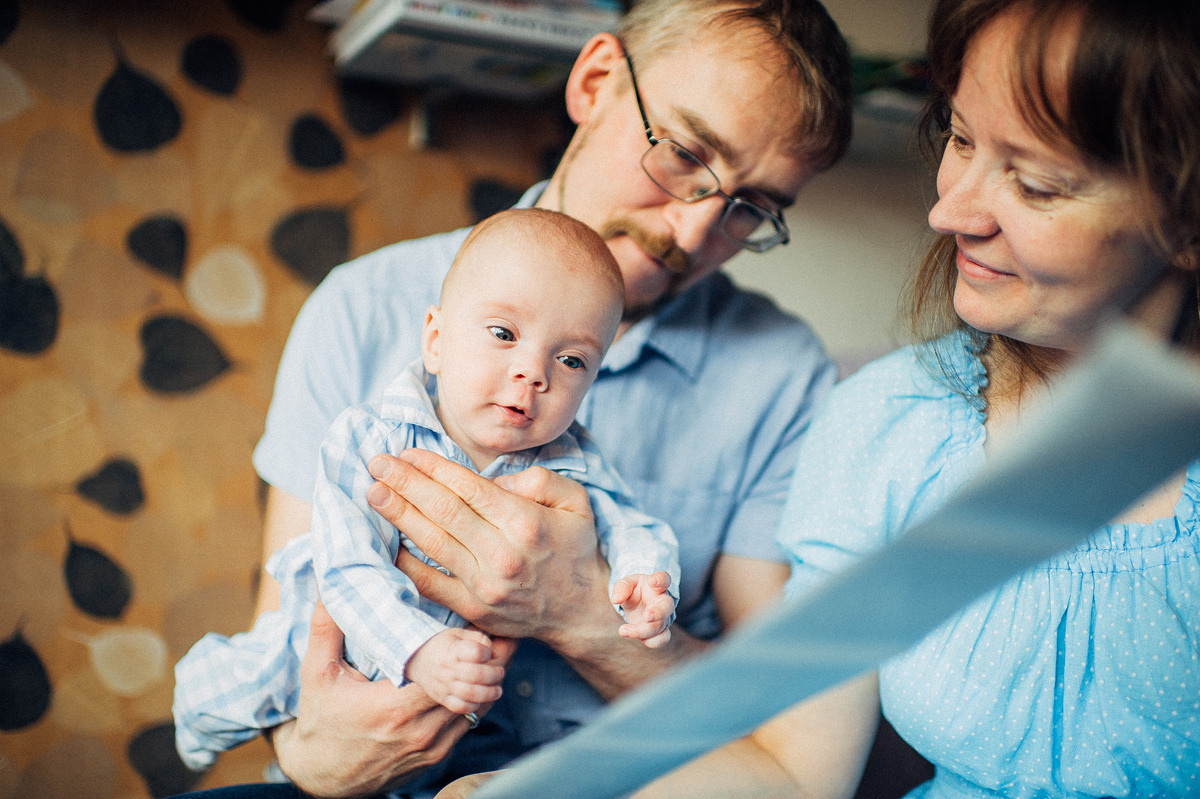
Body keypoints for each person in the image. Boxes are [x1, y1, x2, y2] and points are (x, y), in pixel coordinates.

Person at [434, 0, 1198, 796]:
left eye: (1036, 185)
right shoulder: (891, 419)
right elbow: (796, 771)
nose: (947, 213)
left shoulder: (778, 372)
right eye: (961, 139)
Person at [171, 1, 854, 796]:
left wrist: (578, 611)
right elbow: (295, 643)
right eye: (683, 154)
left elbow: (769, 721)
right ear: (595, 81)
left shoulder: (781, 378)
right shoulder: (363, 309)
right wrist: (313, 760)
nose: (696, 231)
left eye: (753, 207)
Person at [171, 209, 680, 773]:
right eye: (504, 335)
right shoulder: (369, 438)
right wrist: (418, 648)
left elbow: (630, 523)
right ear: (436, 341)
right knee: (245, 689)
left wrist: (646, 578)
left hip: (459, 696)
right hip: (336, 641)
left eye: (571, 360)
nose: (534, 372)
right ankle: (196, 713)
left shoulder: (572, 463)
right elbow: (348, 564)